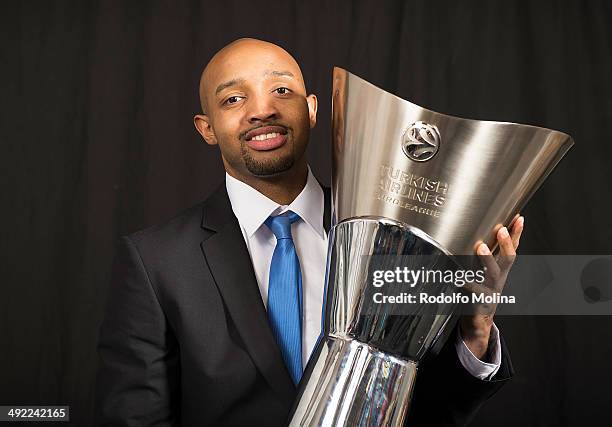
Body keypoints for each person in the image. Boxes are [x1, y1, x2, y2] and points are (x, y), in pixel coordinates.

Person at [95, 38, 524, 426]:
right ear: (207, 128)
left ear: (314, 109)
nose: (262, 109)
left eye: (281, 90)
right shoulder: (156, 262)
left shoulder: (393, 239)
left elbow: (432, 412)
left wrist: (475, 330)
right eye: (233, 98)